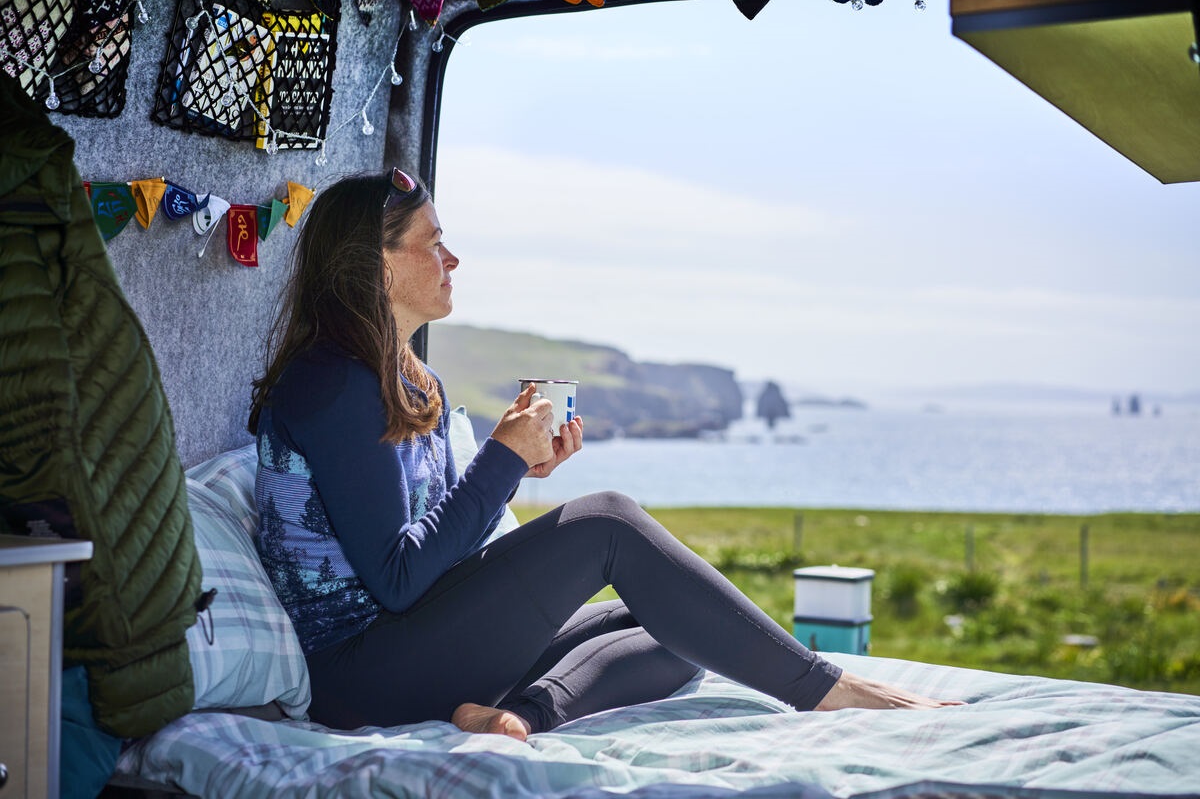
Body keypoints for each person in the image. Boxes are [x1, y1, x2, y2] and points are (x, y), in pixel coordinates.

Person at [247, 168, 961, 740]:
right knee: (609, 521)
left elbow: (429, 542)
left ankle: (519, 717)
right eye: (433, 242)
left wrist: (516, 467)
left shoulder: (404, 376)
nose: (453, 257)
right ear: (375, 265)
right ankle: (827, 689)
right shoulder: (330, 383)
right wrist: (499, 461)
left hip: (417, 644)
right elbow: (398, 578)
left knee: (682, 624)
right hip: (361, 676)